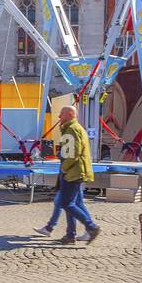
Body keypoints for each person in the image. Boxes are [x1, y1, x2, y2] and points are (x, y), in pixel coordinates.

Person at [54, 105, 101, 246]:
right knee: (74, 203)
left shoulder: (70, 130)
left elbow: (71, 154)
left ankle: (92, 227)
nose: (58, 117)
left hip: (72, 173)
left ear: (69, 114)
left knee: (66, 203)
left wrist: (64, 168)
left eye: (61, 114)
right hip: (78, 171)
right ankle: (70, 235)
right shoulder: (78, 128)